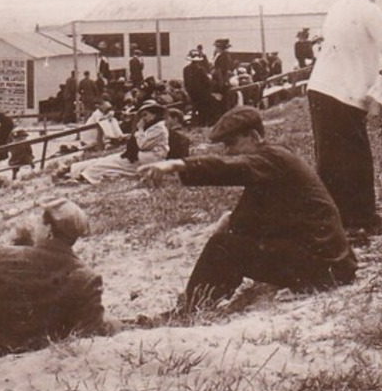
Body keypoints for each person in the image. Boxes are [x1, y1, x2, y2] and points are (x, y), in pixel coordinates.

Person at [141, 106, 356, 317]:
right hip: (331, 262)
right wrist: (229, 225)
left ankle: (189, 312)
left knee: (223, 247)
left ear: (254, 136)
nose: (228, 152)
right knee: (228, 239)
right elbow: (247, 219)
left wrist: (179, 165)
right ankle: (197, 301)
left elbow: (230, 167)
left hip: (323, 267)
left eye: (231, 143)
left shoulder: (272, 158)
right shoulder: (271, 162)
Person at [0, 199, 108, 361]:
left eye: (40, 222)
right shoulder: (87, 278)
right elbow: (90, 327)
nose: (35, 226)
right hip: (35, 345)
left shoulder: (6, 256)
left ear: (48, 230)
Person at [305, 0, 382, 238]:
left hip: (321, 88)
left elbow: (359, 48)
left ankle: (335, 217)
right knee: (355, 156)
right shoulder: (370, 10)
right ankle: (361, 218)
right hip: (344, 92)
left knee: (330, 158)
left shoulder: (338, 7)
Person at [71, 100, 169, 183]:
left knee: (107, 164)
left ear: (155, 114)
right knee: (105, 160)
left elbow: (142, 145)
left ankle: (84, 176)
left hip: (148, 160)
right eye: (142, 116)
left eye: (145, 115)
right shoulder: (152, 126)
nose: (143, 119)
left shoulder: (159, 128)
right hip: (139, 157)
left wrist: (140, 129)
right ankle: (73, 169)